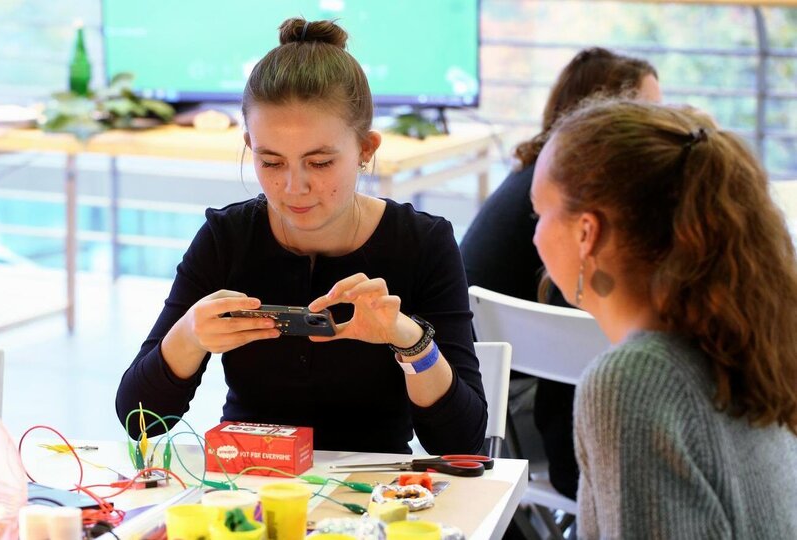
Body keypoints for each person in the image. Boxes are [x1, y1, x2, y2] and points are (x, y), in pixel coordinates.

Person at [115, 18, 487, 455]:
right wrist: (189, 336)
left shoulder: (422, 243)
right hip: (246, 483)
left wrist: (407, 339)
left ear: (366, 149)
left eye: (320, 163)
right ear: (250, 145)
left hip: (374, 492)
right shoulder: (227, 237)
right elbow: (139, 421)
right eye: (271, 163)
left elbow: (461, 442)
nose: (293, 187)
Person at [531, 99, 797, 538]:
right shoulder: (734, 340)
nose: (536, 234)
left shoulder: (635, 380)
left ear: (586, 232)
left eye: (540, 214)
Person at [458, 47, 660, 499]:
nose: (659, 130)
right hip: (510, 399)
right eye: (648, 114)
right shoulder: (566, 209)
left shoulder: (535, 176)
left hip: (508, 382)